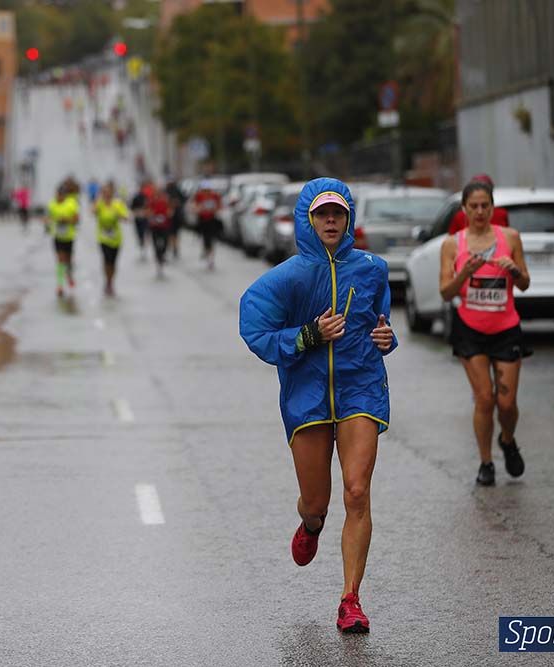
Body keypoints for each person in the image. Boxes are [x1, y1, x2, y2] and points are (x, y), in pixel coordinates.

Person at [239, 178, 397, 634]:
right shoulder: (287, 278)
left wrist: (388, 339)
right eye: (322, 214)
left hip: (359, 389)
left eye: (339, 213)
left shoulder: (372, 269)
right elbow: (255, 329)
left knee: (357, 491)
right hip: (308, 396)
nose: (331, 221)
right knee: (317, 503)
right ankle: (310, 525)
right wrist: (307, 335)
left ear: (349, 219)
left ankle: (350, 600)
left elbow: (380, 324)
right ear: (307, 220)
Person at [439, 180, 530, 486]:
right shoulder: (453, 244)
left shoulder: (510, 238)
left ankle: (507, 439)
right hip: (470, 331)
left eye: (485, 206)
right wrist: (463, 273)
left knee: (506, 404)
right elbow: (445, 292)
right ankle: (486, 462)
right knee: (484, 399)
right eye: (473, 206)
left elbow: (525, 283)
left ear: (493, 208)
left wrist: (514, 271)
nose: (479, 211)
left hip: (506, 329)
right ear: (464, 210)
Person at [93, 182, 128, 297]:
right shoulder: (100, 203)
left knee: (113, 262)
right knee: (106, 260)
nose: (106, 195)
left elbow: (126, 217)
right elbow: (93, 211)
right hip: (103, 237)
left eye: (108, 193)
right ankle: (107, 282)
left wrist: (120, 215)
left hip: (115, 238)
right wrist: (97, 206)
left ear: (112, 193)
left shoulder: (117, 204)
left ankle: (111, 281)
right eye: (104, 193)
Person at [47, 184, 79, 297]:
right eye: (58, 194)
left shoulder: (71, 204)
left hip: (69, 237)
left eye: (62, 195)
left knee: (68, 261)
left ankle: (69, 275)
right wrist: (48, 223)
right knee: (60, 260)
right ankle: (60, 285)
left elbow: (76, 219)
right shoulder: (52, 204)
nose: (60, 197)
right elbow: (48, 218)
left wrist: (67, 220)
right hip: (57, 236)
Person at [193, 182, 222, 270]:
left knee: (212, 240)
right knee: (205, 239)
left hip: (212, 221)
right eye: (204, 190)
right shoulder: (199, 196)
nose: (206, 192)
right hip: (202, 221)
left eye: (208, 190)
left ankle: (211, 259)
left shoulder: (215, 196)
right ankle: (206, 251)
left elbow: (219, 206)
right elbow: (194, 207)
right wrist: (199, 209)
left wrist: (214, 209)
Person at [147, 185, 173, 278]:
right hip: (155, 226)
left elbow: (170, 212)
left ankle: (162, 255)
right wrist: (153, 217)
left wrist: (168, 214)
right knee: (156, 245)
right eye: (157, 193)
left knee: (165, 243)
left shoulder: (166, 201)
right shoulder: (152, 201)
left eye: (160, 193)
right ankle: (159, 261)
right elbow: (148, 212)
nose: (159, 195)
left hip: (164, 226)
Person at [129, 182, 151, 260]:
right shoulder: (136, 198)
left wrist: (146, 212)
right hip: (138, 219)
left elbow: (149, 207)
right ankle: (142, 247)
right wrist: (137, 212)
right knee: (139, 234)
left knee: (145, 233)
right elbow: (131, 208)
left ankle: (144, 247)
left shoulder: (146, 197)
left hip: (145, 219)